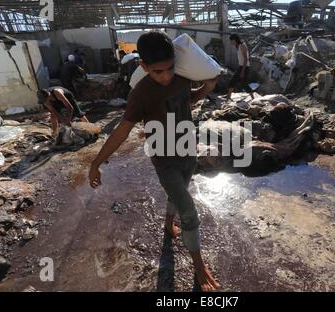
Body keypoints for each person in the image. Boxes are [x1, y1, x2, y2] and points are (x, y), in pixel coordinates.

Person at [88, 31, 221, 292]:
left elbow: (188, 100)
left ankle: (167, 223)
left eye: (170, 68)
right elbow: (121, 132)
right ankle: (198, 267)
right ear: (143, 67)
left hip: (188, 152)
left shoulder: (182, 77)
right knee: (190, 213)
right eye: (158, 71)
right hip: (164, 160)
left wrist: (206, 87)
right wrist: (96, 162)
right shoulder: (141, 94)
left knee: (179, 192)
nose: (166, 76)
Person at [227, 34, 254, 100]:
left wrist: (242, 71)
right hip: (241, 66)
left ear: (234, 40)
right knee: (233, 81)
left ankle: (253, 97)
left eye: (231, 41)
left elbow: (246, 59)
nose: (230, 42)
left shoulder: (242, 46)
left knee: (243, 84)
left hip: (245, 67)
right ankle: (228, 96)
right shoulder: (238, 46)